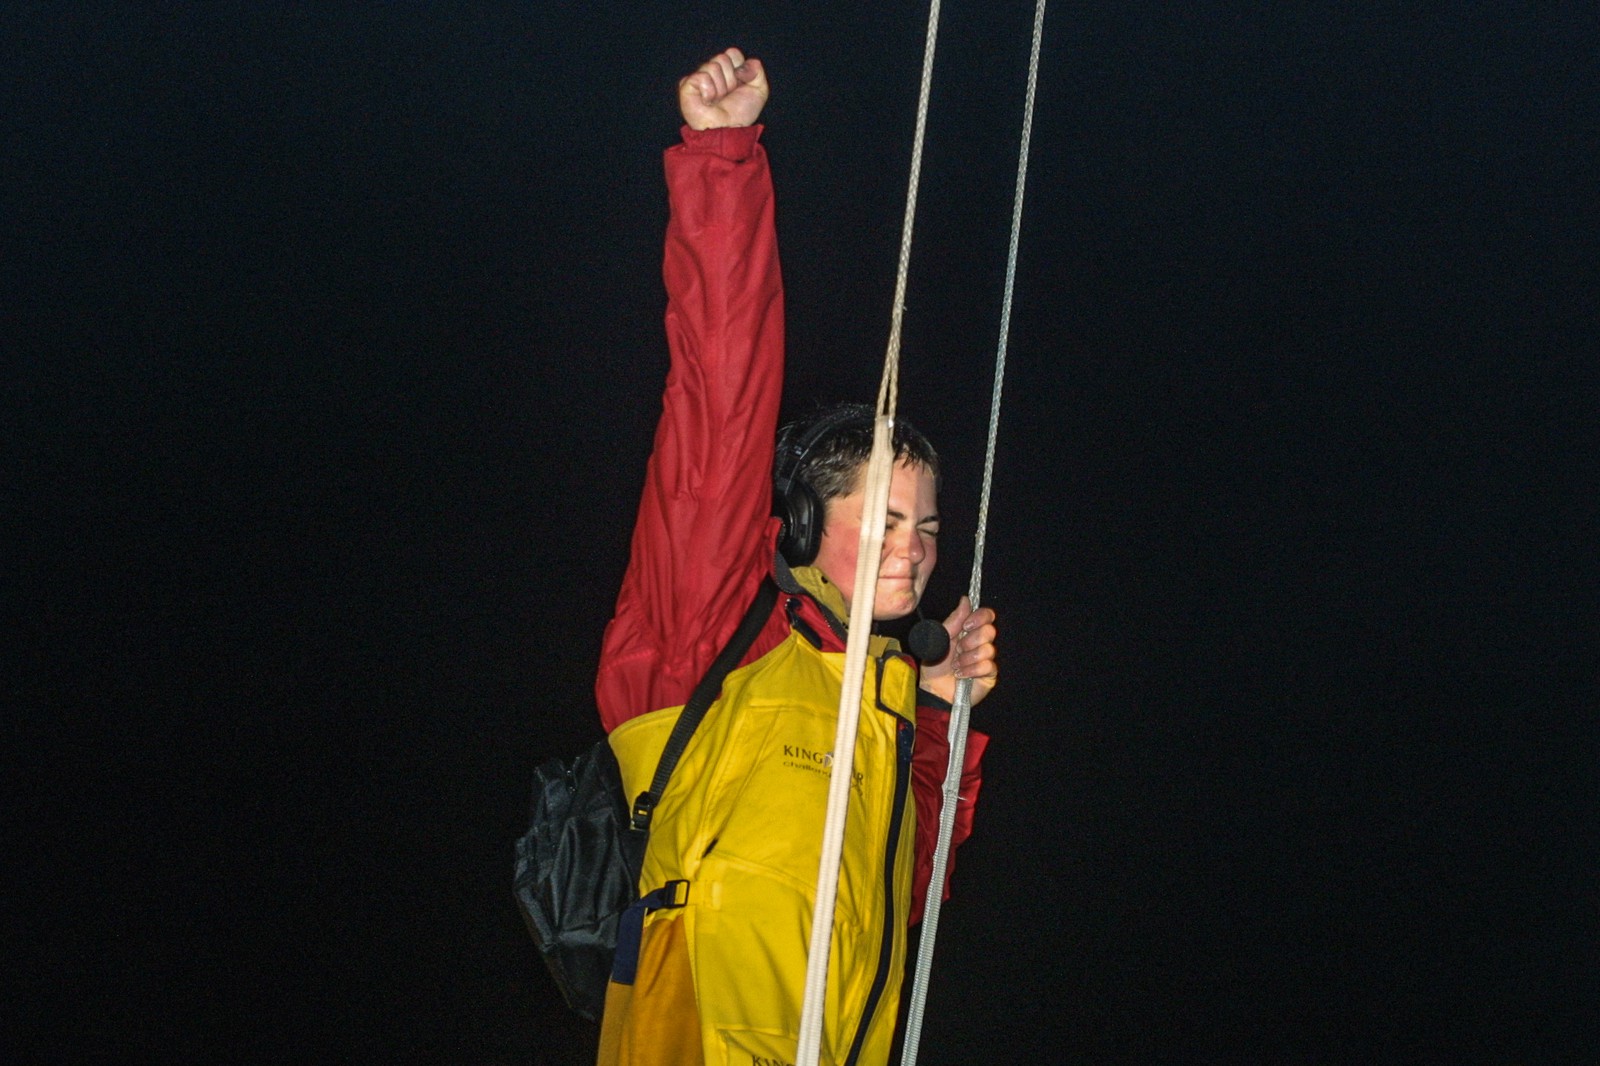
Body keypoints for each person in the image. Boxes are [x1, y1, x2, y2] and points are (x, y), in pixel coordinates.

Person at [592, 48, 999, 1066]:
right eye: (889, 520)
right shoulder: (711, 629)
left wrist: (941, 713)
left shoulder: (885, 698)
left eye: (930, 527)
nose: (918, 553)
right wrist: (723, 154)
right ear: (808, 530)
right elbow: (718, 398)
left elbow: (903, 897)